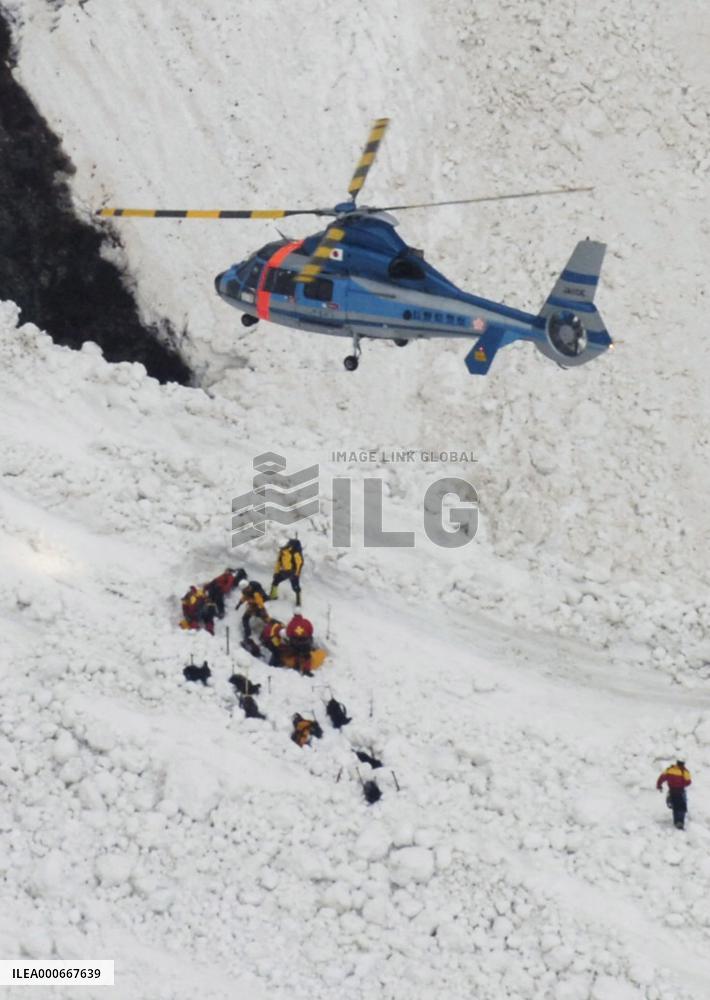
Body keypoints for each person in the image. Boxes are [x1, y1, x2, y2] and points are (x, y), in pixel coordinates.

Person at [657, 759, 692, 830]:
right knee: (682, 807)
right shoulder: (684, 771)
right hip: (680, 791)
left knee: (675, 806)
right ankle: (680, 822)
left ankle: (676, 821)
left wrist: (659, 785)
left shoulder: (669, 769)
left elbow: (661, 778)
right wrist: (682, 783)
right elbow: (688, 782)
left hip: (672, 791)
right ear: (683, 764)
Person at [270, 538, 304, 605]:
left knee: (294, 586)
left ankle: (298, 601)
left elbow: (299, 563)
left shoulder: (291, 552)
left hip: (289, 572)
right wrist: (276, 572)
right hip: (288, 572)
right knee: (276, 582)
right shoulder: (285, 552)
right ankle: (273, 596)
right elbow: (279, 563)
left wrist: (297, 573)